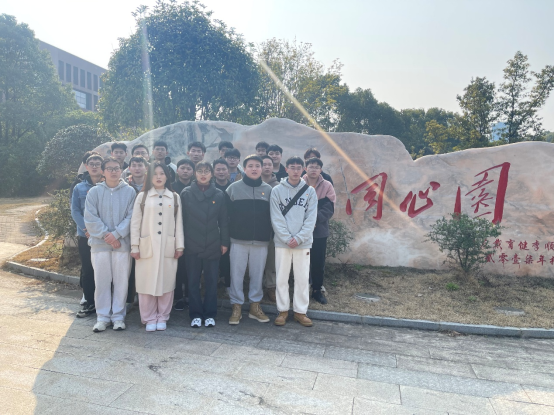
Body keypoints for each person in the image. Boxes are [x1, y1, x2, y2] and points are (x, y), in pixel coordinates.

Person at [130, 163, 184, 332]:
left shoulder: (174, 197)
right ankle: (148, 317)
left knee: (166, 282)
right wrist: (134, 246)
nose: (159, 177)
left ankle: (163, 316)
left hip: (168, 246)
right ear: (149, 177)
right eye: (155, 174)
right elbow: (135, 223)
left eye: (162, 173)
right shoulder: (143, 196)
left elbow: (178, 223)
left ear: (167, 176)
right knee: (146, 282)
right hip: (147, 246)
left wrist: (179, 245)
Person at [84, 157, 136, 333]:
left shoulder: (130, 192)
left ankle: (118, 317)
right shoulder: (94, 192)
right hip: (100, 245)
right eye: (110, 168)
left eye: (117, 168)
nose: (114, 171)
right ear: (103, 171)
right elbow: (90, 217)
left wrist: (117, 234)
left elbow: (132, 217)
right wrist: (107, 235)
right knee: (102, 282)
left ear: (121, 170)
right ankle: (102, 317)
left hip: (122, 244)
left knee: (121, 282)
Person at [270, 157, 318, 327]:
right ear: (286, 169)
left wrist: (298, 238)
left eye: (299, 168)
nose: (296, 171)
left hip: (303, 243)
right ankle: (282, 310)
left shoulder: (310, 191)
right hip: (282, 242)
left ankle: (300, 311)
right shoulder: (277, 190)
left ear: (303, 169)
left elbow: (311, 218)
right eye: (292, 167)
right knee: (281, 278)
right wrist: (286, 238)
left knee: (302, 278)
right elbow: (276, 217)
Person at [226, 155, 273, 326]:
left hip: (261, 241)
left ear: (262, 168)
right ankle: (236, 306)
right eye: (250, 166)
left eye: (257, 166)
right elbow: (225, 216)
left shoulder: (269, 190)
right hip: (237, 240)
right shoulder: (233, 189)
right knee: (236, 275)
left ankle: (255, 306)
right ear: (244, 168)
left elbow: (273, 216)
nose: (254, 169)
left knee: (257, 275)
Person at [181, 162, 229, 328]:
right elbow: (181, 221)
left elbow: (223, 221)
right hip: (191, 242)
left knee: (211, 281)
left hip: (213, 243)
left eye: (206, 171)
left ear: (212, 174)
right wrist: (181, 243)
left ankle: (210, 314)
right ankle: (195, 314)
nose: (203, 174)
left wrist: (224, 242)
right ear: (195, 173)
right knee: (193, 281)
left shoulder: (219, 194)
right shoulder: (186, 193)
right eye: (200, 171)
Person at [71, 153, 104, 318]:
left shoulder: (109, 186)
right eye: (92, 163)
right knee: (88, 270)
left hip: (104, 236)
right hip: (86, 236)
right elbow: (75, 210)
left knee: (104, 270)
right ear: (86, 166)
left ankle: (105, 303)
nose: (95, 166)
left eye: (98, 163)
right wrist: (87, 228)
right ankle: (90, 303)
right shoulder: (79, 188)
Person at [303, 158, 336, 305]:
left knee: (318, 262)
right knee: (302, 262)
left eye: (317, 167)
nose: (314, 169)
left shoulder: (327, 185)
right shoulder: (299, 184)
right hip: (301, 231)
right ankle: (302, 289)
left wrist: (314, 221)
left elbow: (329, 208)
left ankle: (316, 290)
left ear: (321, 170)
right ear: (306, 168)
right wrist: (306, 223)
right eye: (311, 167)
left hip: (319, 230)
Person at [172, 159, 195, 311]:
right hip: (173, 231)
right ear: (177, 170)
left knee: (190, 266)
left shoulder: (196, 188)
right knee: (177, 265)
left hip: (192, 232)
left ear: (193, 172)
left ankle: (190, 296)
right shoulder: (171, 188)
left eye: (188, 168)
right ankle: (178, 297)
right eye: (182, 168)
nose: (185, 171)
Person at [261, 155, 280, 303]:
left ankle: (271, 286)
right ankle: (255, 286)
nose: (267, 167)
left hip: (273, 229)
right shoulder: (253, 184)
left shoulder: (279, 186)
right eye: (264, 164)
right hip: (256, 228)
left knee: (271, 260)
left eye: (269, 164)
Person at [213, 159, 232, 292]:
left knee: (228, 256)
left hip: (230, 227)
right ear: (213, 172)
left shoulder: (233, 187)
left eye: (223, 169)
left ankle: (227, 282)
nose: (221, 172)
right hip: (213, 227)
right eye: (218, 169)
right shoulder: (210, 188)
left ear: (228, 171)